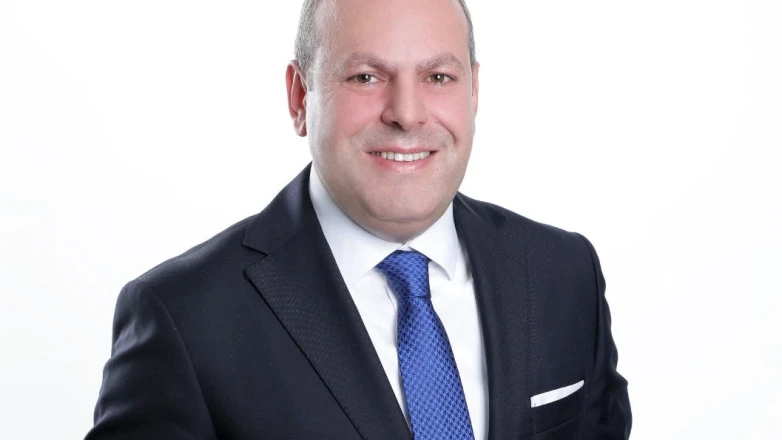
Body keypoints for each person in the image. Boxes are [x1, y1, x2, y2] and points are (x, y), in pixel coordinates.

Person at [85, 0, 632, 438]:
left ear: (474, 91)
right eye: (366, 77)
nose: (407, 114)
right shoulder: (185, 317)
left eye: (439, 77)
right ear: (299, 97)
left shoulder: (564, 273)